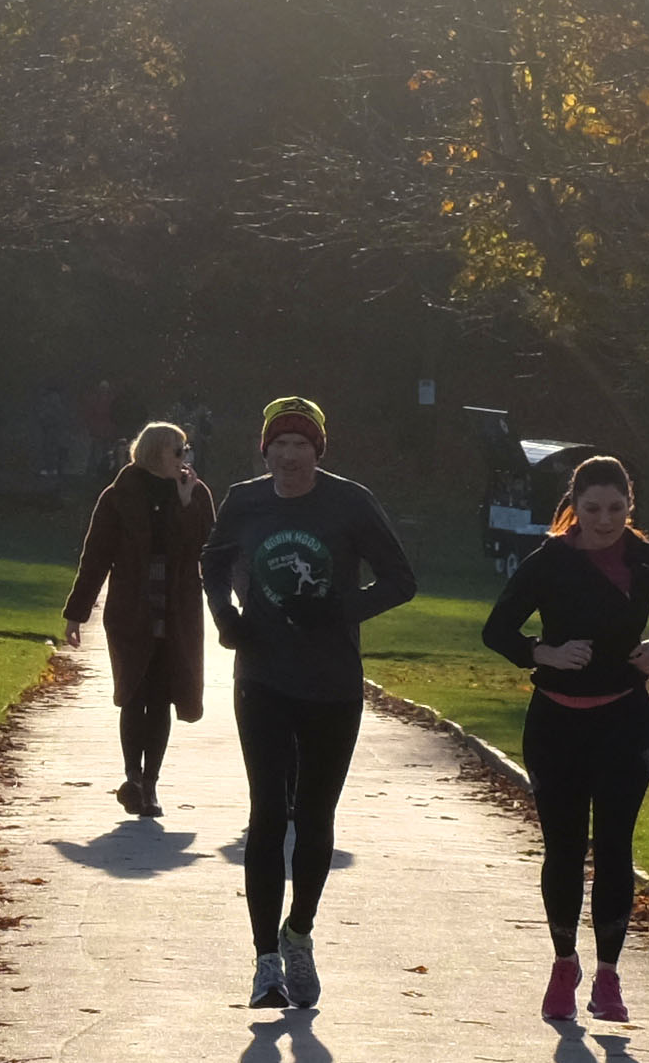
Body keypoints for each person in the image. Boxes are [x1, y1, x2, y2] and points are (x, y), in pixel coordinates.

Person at [202, 396, 419, 1011]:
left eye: (301, 444)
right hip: (262, 675)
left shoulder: (350, 503)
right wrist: (226, 617)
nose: (290, 455)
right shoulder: (244, 501)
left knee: (315, 816)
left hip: (331, 682)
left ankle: (298, 934)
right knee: (268, 812)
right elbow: (212, 563)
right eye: (280, 444)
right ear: (265, 450)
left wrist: (336, 610)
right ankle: (264, 962)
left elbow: (401, 581)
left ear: (317, 451)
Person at [481, 452, 649, 1023]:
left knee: (616, 846)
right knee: (565, 848)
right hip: (556, 723)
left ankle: (608, 975)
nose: (605, 520)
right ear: (574, 507)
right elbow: (497, 629)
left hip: (624, 719)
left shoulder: (648, 560)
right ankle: (564, 963)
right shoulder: (550, 561)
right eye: (593, 508)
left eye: (616, 508)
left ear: (630, 506)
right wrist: (543, 652)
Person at [62, 420, 216, 815]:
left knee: (162, 697)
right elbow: (96, 557)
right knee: (133, 693)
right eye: (178, 450)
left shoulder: (196, 493)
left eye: (186, 451)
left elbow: (206, 547)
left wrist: (185, 504)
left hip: (176, 611)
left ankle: (150, 784)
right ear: (155, 453)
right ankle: (132, 776)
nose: (184, 458)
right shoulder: (119, 495)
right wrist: (77, 613)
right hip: (131, 610)